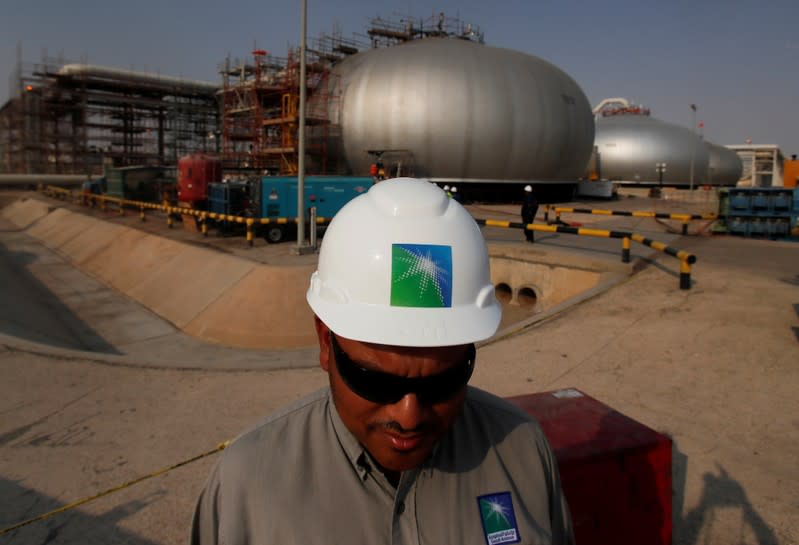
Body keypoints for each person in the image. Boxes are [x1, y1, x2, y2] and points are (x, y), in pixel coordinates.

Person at [190, 178, 573, 545]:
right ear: (326, 342)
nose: (409, 417)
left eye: (443, 383)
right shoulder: (245, 484)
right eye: (376, 382)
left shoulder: (523, 453)